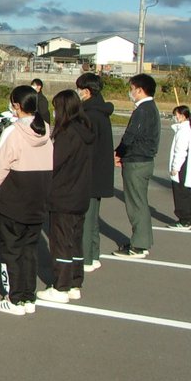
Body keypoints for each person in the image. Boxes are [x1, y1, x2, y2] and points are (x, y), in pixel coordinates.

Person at [0, 85, 53, 315]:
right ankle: (27, 295)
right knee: (29, 249)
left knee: (11, 250)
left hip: (14, 198)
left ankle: (14, 298)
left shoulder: (13, 131)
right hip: (38, 198)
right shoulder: (46, 130)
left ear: (16, 105)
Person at [37, 90, 94, 304]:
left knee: (60, 241)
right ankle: (75, 282)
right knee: (75, 241)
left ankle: (60, 286)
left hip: (63, 195)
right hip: (80, 194)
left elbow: (54, 162)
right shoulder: (85, 130)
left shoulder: (67, 133)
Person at [112, 73, 160, 258]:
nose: (130, 92)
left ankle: (139, 245)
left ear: (139, 90)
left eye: (131, 89)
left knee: (135, 204)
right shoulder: (150, 107)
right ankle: (141, 240)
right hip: (143, 160)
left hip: (137, 162)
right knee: (140, 202)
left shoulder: (143, 109)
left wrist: (118, 153)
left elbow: (130, 136)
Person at [76, 73, 114, 272]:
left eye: (80, 89)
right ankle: (94, 254)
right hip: (100, 173)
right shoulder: (102, 112)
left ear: (87, 91)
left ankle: (85, 258)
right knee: (93, 218)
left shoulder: (88, 115)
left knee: (85, 219)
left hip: (88, 173)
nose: (78, 93)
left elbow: (84, 148)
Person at [169, 105, 191, 229]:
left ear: (183, 116)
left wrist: (175, 167)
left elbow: (180, 151)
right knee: (182, 193)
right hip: (183, 166)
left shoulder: (184, 131)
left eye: (177, 115)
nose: (175, 117)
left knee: (181, 193)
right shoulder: (184, 129)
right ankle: (184, 218)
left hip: (181, 167)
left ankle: (185, 219)